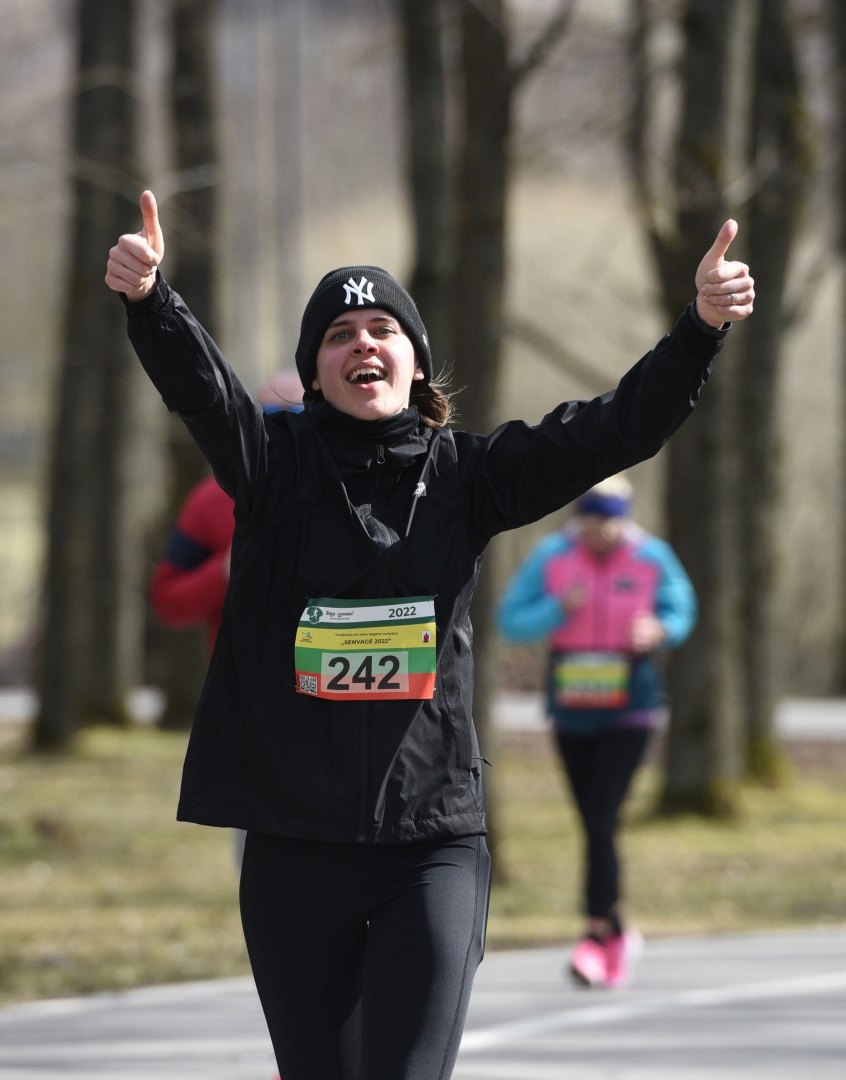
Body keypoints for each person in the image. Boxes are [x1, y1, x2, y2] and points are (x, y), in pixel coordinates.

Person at [105, 191, 753, 1079]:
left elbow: (614, 430)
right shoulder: (272, 467)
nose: (362, 344)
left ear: (415, 364)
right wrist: (152, 300)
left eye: (382, 329)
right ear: (314, 372)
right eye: (339, 335)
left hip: (431, 842)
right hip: (294, 841)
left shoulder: (468, 476)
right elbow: (205, 393)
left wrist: (700, 328)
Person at [497, 475, 695, 989]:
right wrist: (557, 609)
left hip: (630, 707)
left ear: (624, 521)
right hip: (571, 708)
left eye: (608, 525)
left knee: (603, 819)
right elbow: (509, 621)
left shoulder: (651, 557)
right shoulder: (551, 557)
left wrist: (660, 629)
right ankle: (618, 929)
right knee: (592, 821)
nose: (598, 535)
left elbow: (682, 608)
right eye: (589, 524)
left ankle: (595, 935)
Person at [150, 370, 303, 649]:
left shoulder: (353, 491)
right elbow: (168, 603)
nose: (286, 426)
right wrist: (226, 568)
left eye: (299, 414)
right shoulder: (211, 499)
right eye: (271, 414)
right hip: (242, 673)